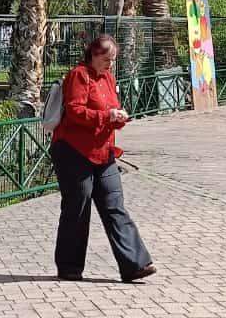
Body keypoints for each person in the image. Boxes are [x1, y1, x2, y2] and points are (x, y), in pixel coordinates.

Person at [50, 34, 155, 284]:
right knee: (78, 205)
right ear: (94, 55)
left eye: (113, 59)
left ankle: (135, 265)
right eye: (107, 59)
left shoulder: (108, 77)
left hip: (103, 152)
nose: (110, 64)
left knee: (114, 205)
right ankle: (69, 266)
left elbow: (111, 108)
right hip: (74, 150)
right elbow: (75, 111)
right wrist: (105, 116)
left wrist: (118, 117)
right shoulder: (79, 75)